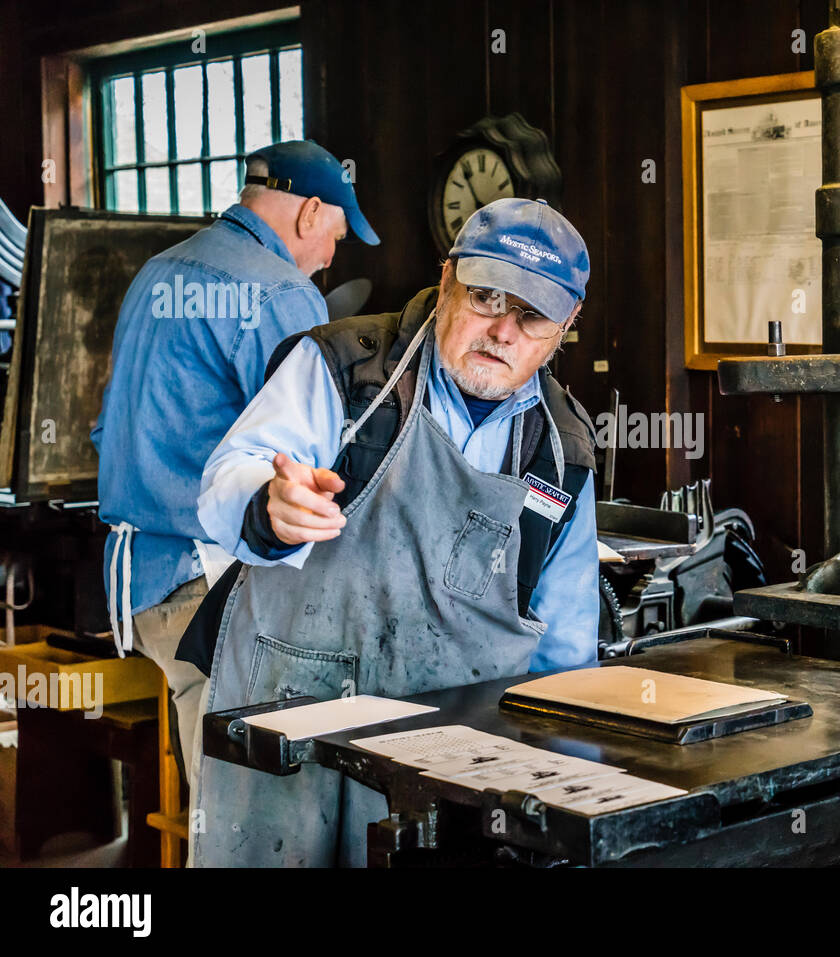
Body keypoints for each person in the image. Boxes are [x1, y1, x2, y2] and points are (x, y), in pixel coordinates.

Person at [185, 197, 599, 866]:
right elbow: (226, 481)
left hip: (449, 756)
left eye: (532, 315)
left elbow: (568, 656)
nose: (503, 330)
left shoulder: (561, 449)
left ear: (566, 325)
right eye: (486, 297)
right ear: (445, 281)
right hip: (296, 717)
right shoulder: (347, 369)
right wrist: (272, 505)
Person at [91, 139, 379, 785]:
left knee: (208, 789)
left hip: (139, 578)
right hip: (210, 579)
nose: (331, 257)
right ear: (309, 212)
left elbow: (109, 424)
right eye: (336, 234)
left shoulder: (159, 271)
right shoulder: (278, 290)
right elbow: (300, 460)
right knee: (236, 811)